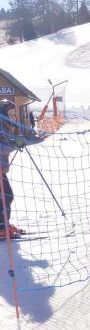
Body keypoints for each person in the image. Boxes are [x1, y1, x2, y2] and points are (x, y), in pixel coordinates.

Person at [0, 100, 20, 239]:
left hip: (1, 169)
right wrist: (14, 145)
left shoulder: (6, 126)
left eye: (14, 114)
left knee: (7, 196)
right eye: (10, 114)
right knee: (5, 196)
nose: (13, 117)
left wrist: (16, 142)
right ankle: (2, 227)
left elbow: (5, 143)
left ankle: (4, 224)